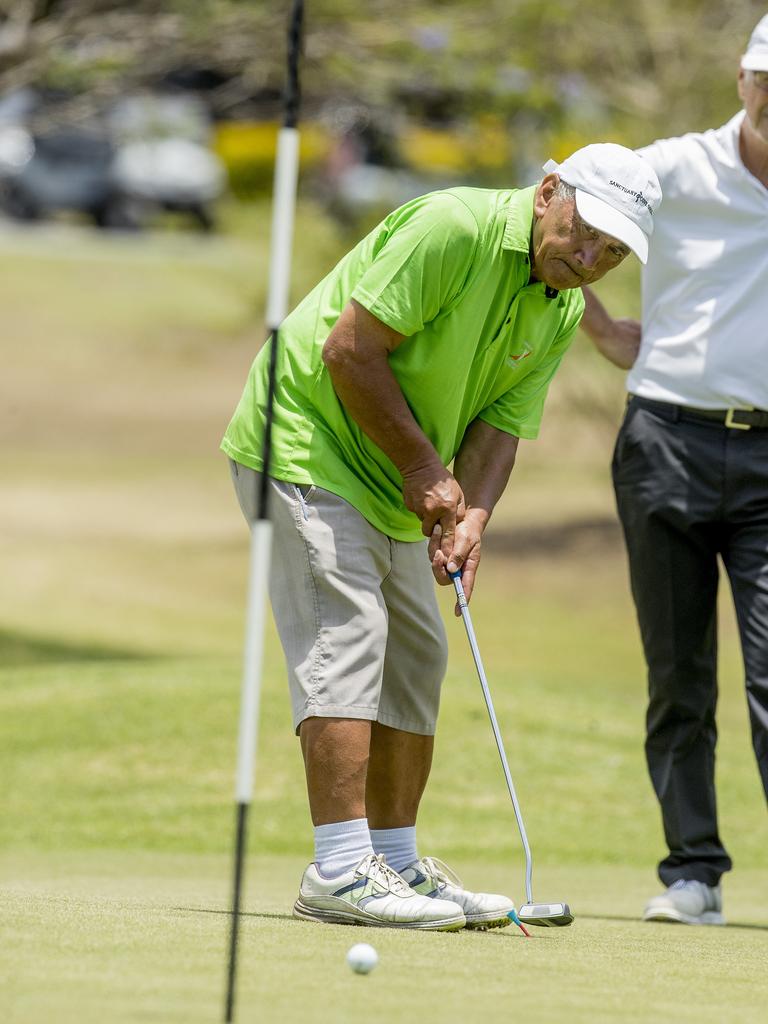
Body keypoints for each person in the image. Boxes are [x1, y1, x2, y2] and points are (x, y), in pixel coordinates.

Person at [222, 143, 661, 931]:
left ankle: (392, 864)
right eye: (585, 230)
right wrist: (426, 466)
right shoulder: (454, 227)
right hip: (305, 438)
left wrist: (474, 516)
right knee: (348, 636)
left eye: (615, 251)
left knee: (418, 652)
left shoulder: (559, 307)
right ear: (549, 191)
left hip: (390, 471)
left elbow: (501, 425)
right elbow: (348, 350)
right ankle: (340, 869)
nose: (592, 257)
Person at [580, 14, 768, 927]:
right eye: (767, 76)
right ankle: (692, 873)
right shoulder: (679, 166)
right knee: (678, 678)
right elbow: (558, 196)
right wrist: (603, 326)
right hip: (666, 444)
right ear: (743, 76)